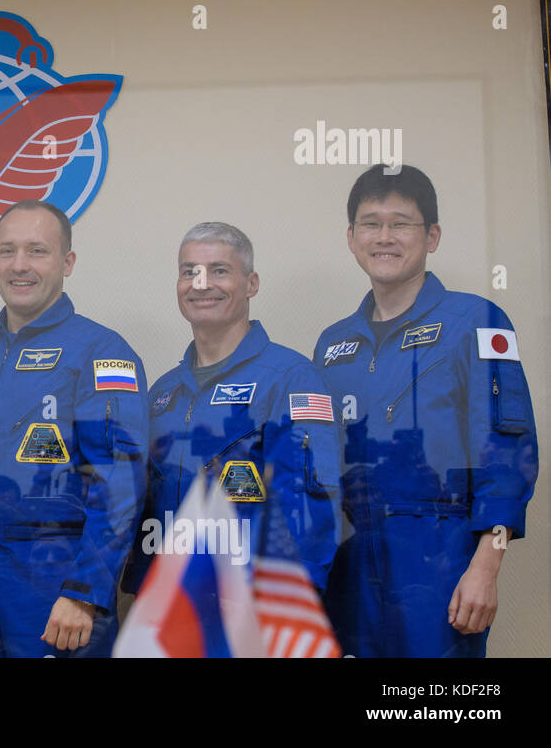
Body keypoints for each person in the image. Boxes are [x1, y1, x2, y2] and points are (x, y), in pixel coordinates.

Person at [314, 164, 538, 657]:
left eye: (402, 223)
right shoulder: (332, 345)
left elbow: (508, 452)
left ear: (432, 236)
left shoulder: (475, 322)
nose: (385, 237)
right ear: (351, 238)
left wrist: (486, 567)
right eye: (371, 223)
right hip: (347, 569)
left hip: (440, 564)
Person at [0, 200, 148, 657]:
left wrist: (84, 591)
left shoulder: (101, 352)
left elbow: (120, 483)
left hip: (59, 584)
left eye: (36, 251)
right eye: (7, 251)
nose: (19, 265)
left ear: (67, 262)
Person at [121, 222, 339, 596]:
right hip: (165, 611)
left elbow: (313, 508)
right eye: (189, 272)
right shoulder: (163, 392)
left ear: (251, 283)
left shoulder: (290, 378)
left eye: (219, 270)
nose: (201, 283)